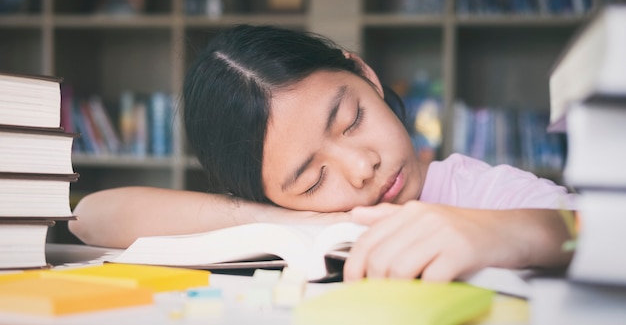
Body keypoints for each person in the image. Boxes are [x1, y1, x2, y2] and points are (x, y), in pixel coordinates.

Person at [69, 24, 576, 283]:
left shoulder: (475, 189)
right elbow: (91, 216)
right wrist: (287, 222)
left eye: (352, 119)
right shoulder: (299, 228)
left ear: (365, 75)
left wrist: (497, 232)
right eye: (311, 182)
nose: (362, 168)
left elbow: (595, 231)